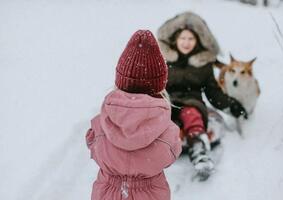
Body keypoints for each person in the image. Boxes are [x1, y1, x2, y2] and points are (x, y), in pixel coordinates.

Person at [85, 30, 182, 200]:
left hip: (108, 193)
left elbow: (93, 144)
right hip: (150, 194)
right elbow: (172, 153)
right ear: (160, 86)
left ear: (120, 81)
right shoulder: (168, 131)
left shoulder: (100, 123)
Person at [157, 12, 247, 181]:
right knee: (164, 120)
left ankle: (199, 150)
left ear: (198, 41)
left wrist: (231, 105)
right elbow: (152, 85)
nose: (186, 42)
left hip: (191, 102)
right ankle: (158, 151)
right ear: (175, 39)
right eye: (183, 38)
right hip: (166, 101)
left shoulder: (203, 65)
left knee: (192, 116)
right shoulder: (163, 60)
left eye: (191, 39)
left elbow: (213, 92)